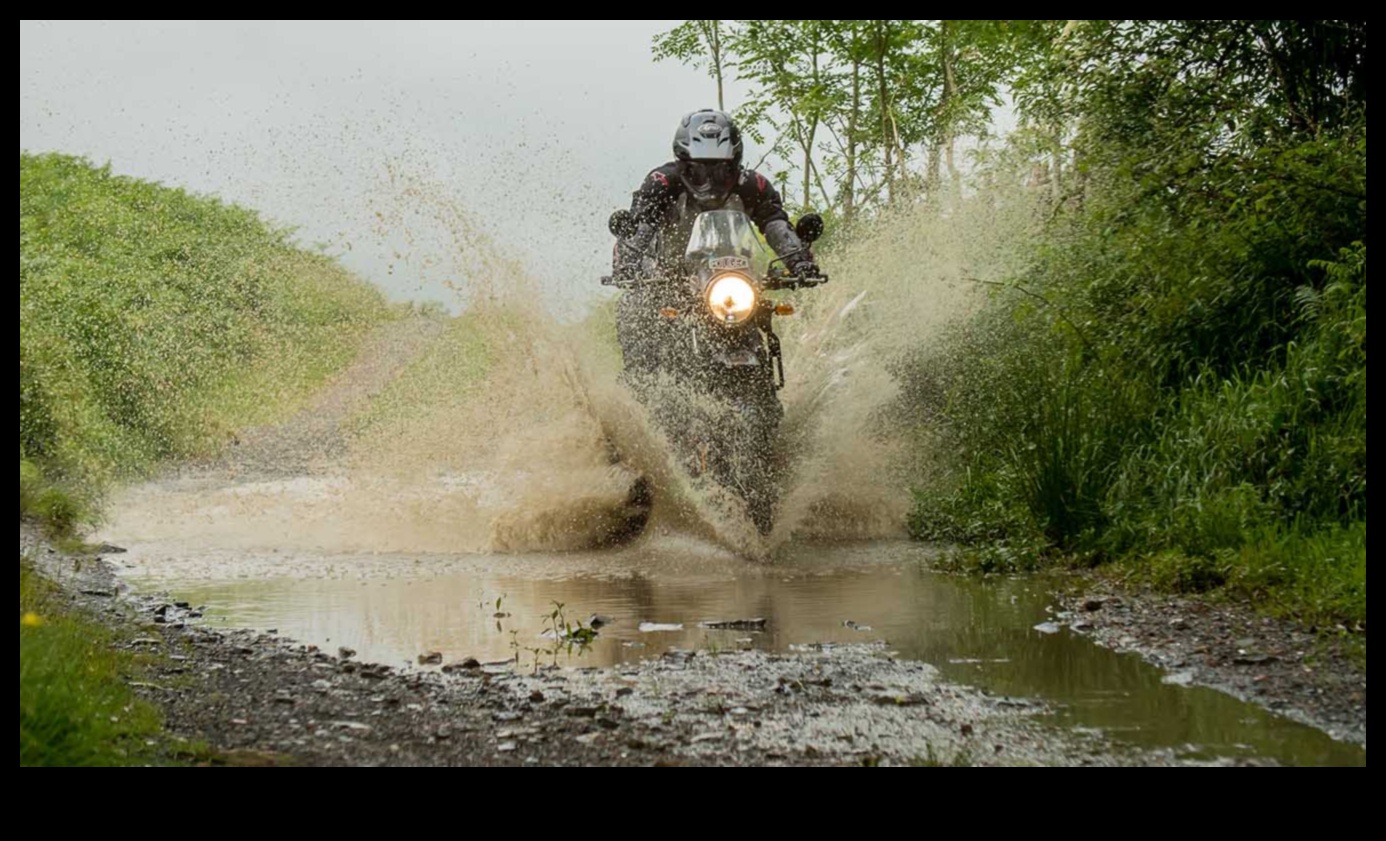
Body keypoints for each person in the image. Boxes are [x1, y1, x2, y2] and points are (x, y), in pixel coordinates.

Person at [612, 109, 820, 282]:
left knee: (763, 309)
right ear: (682, 163)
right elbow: (641, 226)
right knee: (644, 311)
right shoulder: (662, 183)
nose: (709, 180)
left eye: (720, 170)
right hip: (666, 274)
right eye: (699, 170)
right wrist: (628, 263)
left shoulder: (752, 185)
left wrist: (799, 260)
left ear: (735, 162)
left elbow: (775, 224)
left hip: (737, 275)